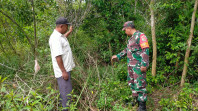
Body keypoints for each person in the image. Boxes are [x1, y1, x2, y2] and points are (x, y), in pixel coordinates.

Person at [111, 21, 149, 111]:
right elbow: (127, 50)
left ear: (129, 28)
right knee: (132, 83)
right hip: (131, 66)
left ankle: (142, 107)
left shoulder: (141, 36)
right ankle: (136, 101)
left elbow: (145, 49)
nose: (125, 32)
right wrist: (118, 56)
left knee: (140, 84)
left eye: (125, 30)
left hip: (138, 66)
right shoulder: (131, 38)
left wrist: (144, 64)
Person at [49, 17, 75, 111]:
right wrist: (64, 72)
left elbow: (63, 41)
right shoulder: (55, 38)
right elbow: (58, 57)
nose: (67, 28)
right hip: (63, 72)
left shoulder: (59, 36)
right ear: (61, 26)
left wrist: (69, 32)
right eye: (66, 26)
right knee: (66, 95)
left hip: (66, 70)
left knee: (67, 93)